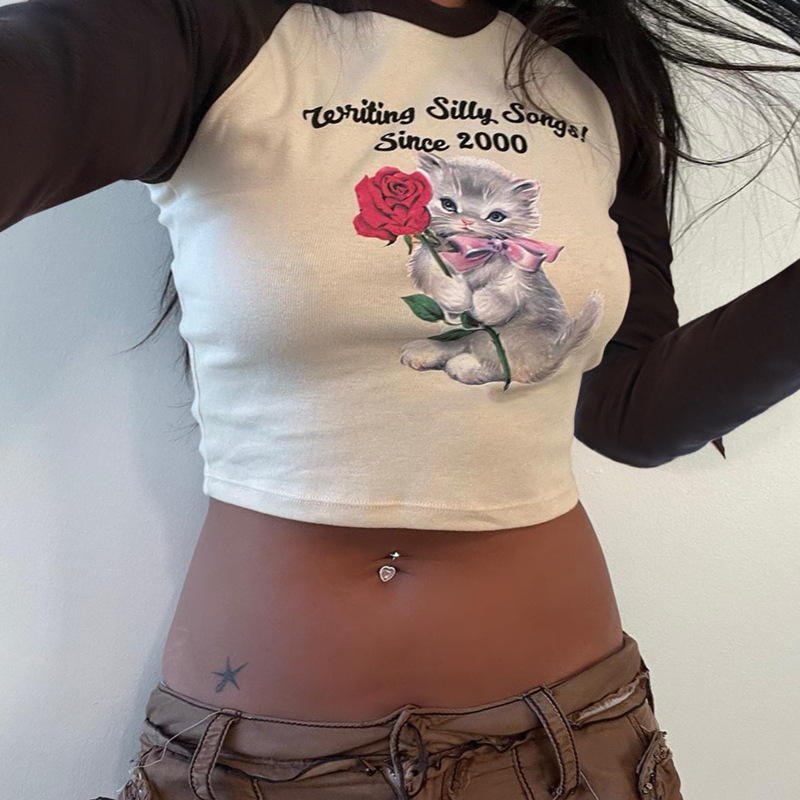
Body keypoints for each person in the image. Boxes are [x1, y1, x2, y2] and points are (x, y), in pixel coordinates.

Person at [1, 0, 798, 797]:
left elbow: (632, 411)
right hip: (255, 762)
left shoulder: (587, 62)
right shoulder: (204, 27)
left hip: (566, 745)